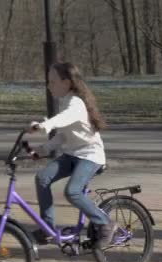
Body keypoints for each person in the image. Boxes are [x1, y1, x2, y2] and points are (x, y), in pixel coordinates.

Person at [25, 62, 115, 249]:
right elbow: (64, 135)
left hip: (91, 156)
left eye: (53, 82)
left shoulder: (76, 103)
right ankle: (47, 229)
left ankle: (106, 223)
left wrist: (43, 125)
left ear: (66, 83)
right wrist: (42, 150)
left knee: (72, 191)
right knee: (42, 178)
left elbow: (64, 119)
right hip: (73, 154)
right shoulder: (64, 101)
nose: (49, 86)